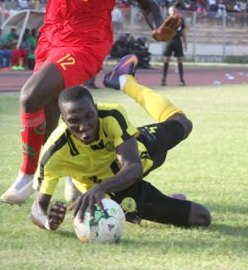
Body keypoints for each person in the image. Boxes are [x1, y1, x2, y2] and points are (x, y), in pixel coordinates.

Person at [0, 0, 181, 204]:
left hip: (87, 44)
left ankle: (27, 177)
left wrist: (159, 28)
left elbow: (148, 5)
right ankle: (73, 174)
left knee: (29, 96)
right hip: (51, 37)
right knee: (52, 112)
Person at [30, 55, 211, 231]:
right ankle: (155, 205)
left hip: (137, 153)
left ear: (96, 109)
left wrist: (100, 188)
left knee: (183, 124)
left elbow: (133, 168)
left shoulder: (111, 115)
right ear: (64, 120)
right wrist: (48, 222)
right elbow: (37, 208)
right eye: (74, 121)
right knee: (201, 217)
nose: (84, 126)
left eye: (89, 116)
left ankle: (125, 81)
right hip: (116, 191)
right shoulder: (54, 153)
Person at [161, 4, 187, 86]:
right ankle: (164, 80)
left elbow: (183, 32)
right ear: (169, 12)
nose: (173, 12)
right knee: (166, 60)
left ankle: (181, 80)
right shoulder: (166, 21)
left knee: (180, 60)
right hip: (169, 41)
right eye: (171, 11)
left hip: (177, 41)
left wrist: (185, 43)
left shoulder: (180, 20)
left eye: (174, 11)